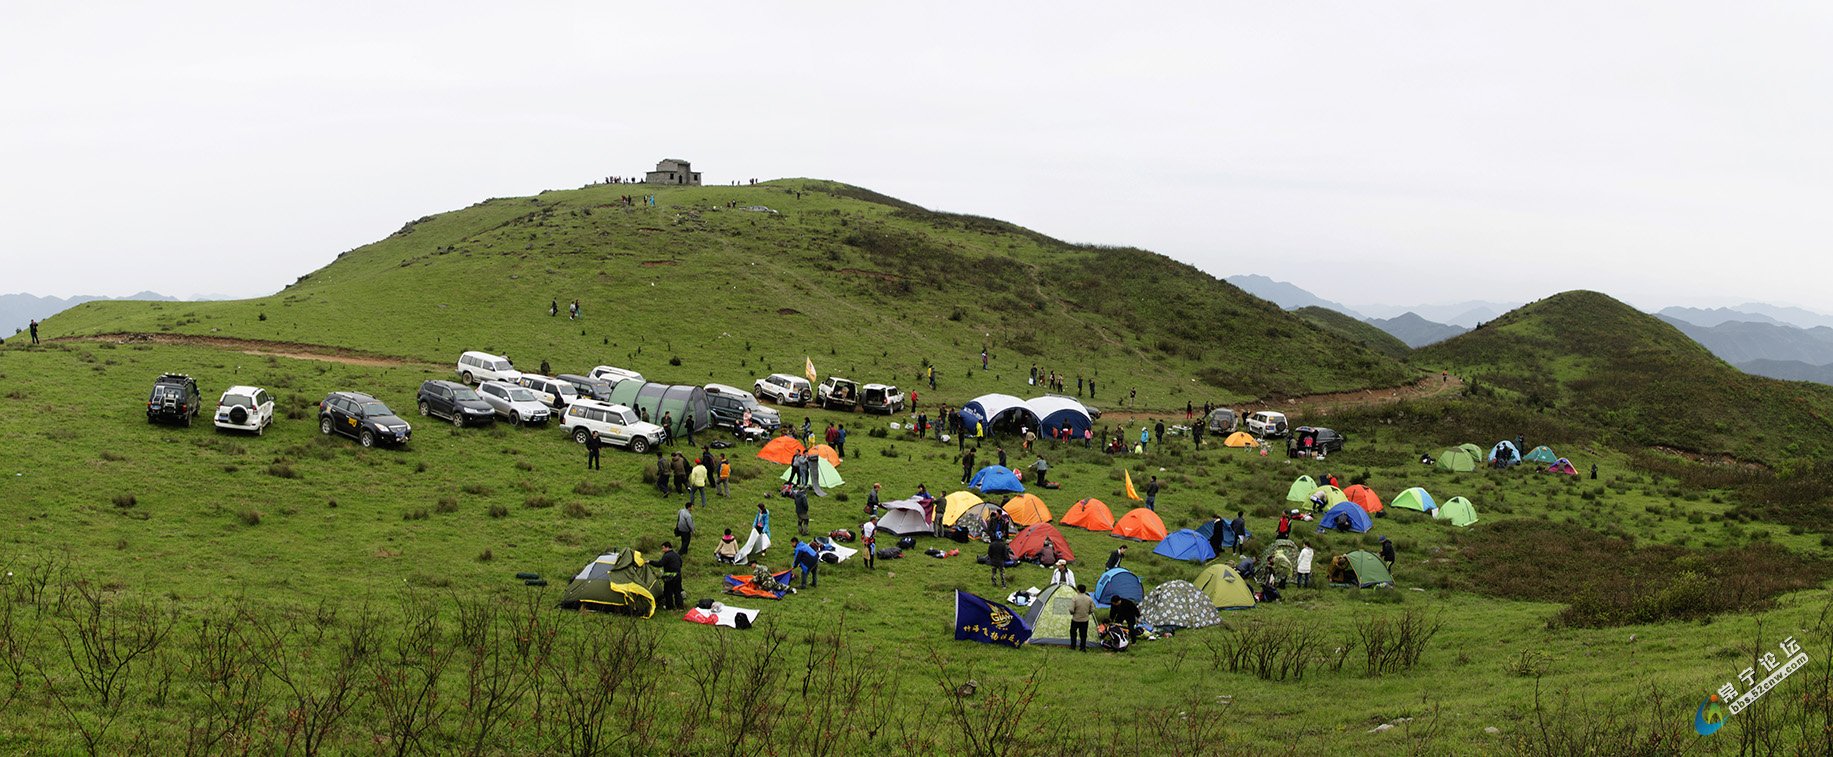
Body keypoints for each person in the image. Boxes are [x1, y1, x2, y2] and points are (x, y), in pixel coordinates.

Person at [656, 542, 683, 611]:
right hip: (678, 576)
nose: (662, 550)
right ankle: (680, 607)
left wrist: (650, 562)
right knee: (677, 592)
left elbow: (660, 564)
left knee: (668, 592)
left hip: (670, 577)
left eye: (663, 548)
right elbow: (681, 563)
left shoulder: (666, 556)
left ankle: (669, 607)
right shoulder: (676, 554)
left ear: (667, 547)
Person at [1070, 584, 1095, 651]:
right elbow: (1092, 609)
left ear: (1078, 590)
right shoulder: (1089, 599)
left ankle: (1073, 646)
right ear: (1085, 590)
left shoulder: (1075, 598)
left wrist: (1073, 614)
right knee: (1083, 634)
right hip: (1085, 620)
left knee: (1073, 633)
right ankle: (1082, 647)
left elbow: (1071, 609)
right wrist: (1087, 613)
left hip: (1075, 619)